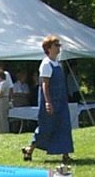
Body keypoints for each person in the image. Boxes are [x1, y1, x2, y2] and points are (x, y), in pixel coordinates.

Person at [22, 36, 73, 165]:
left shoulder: (58, 63)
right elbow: (45, 84)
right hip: (50, 100)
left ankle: (65, 155)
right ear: (49, 48)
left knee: (64, 126)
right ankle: (30, 149)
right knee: (46, 128)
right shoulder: (46, 64)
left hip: (61, 100)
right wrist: (47, 102)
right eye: (56, 45)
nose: (59, 47)